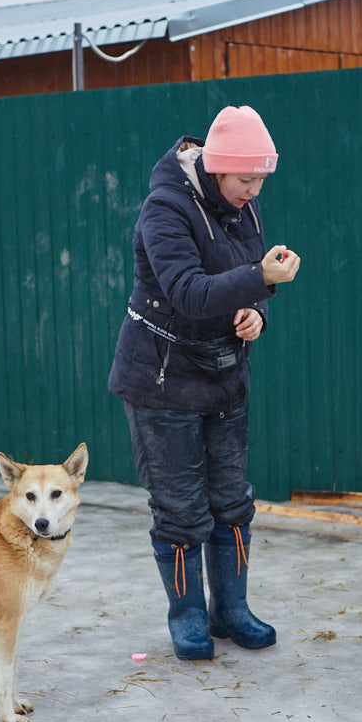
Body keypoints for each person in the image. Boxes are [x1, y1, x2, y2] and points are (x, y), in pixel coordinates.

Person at [108, 105, 301, 660]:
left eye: (261, 178)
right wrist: (261, 278)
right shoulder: (165, 209)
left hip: (224, 375)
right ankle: (188, 616)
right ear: (216, 168)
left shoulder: (243, 206)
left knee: (232, 502)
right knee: (180, 508)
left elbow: (243, 286)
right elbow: (188, 293)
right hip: (162, 381)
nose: (254, 189)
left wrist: (258, 313)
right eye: (246, 178)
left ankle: (231, 611)